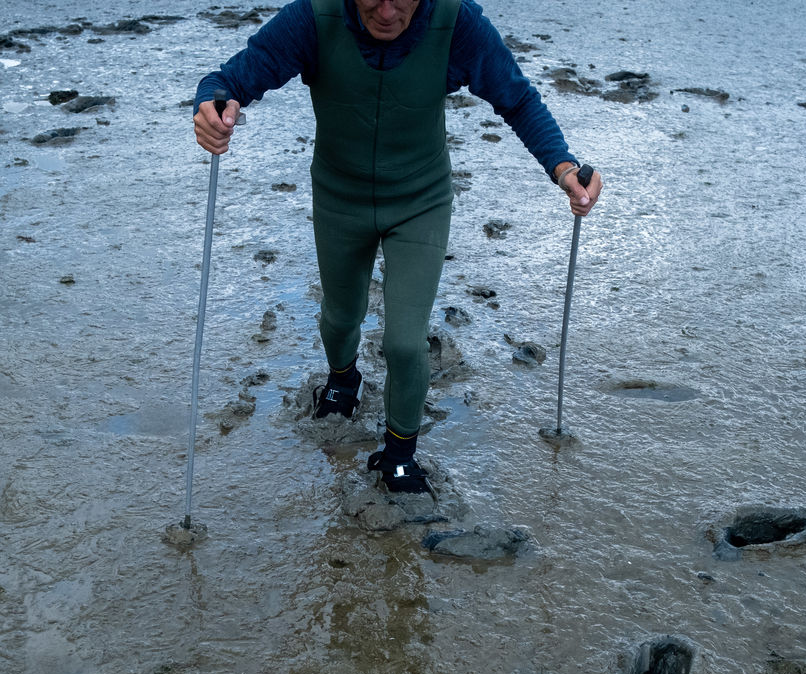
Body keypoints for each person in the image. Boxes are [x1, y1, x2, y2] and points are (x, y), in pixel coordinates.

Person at [193, 0, 601, 493]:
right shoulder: (314, 17)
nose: (387, 12)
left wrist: (563, 168)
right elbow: (228, 81)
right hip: (339, 198)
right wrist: (212, 106)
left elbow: (517, 100)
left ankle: (400, 455)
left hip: (420, 202)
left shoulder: (456, 21)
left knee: (406, 342)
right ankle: (343, 379)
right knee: (341, 317)